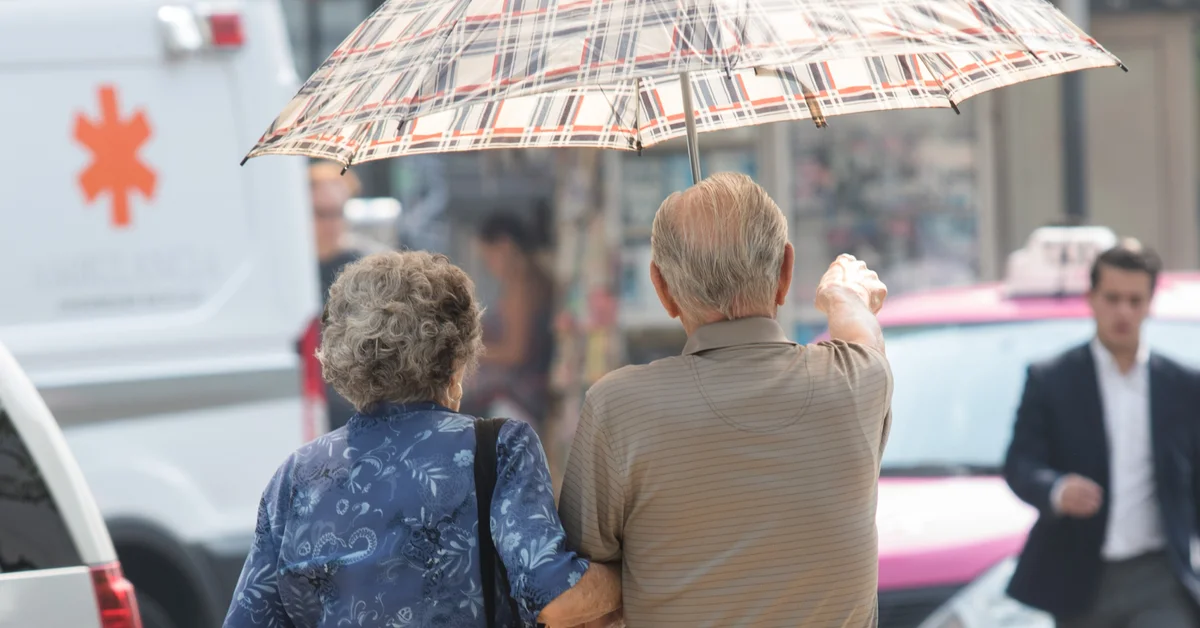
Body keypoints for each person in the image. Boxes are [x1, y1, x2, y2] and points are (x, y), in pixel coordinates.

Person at [558, 172, 893, 627]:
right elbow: (863, 333)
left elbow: (577, 596)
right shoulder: (857, 383)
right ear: (785, 273)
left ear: (662, 289)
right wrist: (840, 294)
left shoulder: (620, 408)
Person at [222, 251, 621, 628]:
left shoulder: (297, 476)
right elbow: (553, 595)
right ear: (453, 356)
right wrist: (628, 577)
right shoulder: (498, 449)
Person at [1004, 241, 1200, 627]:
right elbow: (1021, 463)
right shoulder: (1052, 379)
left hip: (1160, 574)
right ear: (1091, 298)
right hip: (1081, 575)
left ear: (1149, 303)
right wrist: (1057, 489)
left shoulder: (1183, 385)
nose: (1123, 311)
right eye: (1112, 298)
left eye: (1134, 300)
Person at [461, 211, 556, 430]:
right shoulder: (532, 276)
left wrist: (469, 351)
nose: (489, 266)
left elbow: (515, 352)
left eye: (489, 257)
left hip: (522, 395)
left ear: (505, 246)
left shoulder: (522, 286)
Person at [310, 160, 365, 430]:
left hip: (349, 407)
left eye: (339, 212)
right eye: (322, 213)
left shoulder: (362, 268)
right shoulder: (288, 268)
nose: (333, 223)